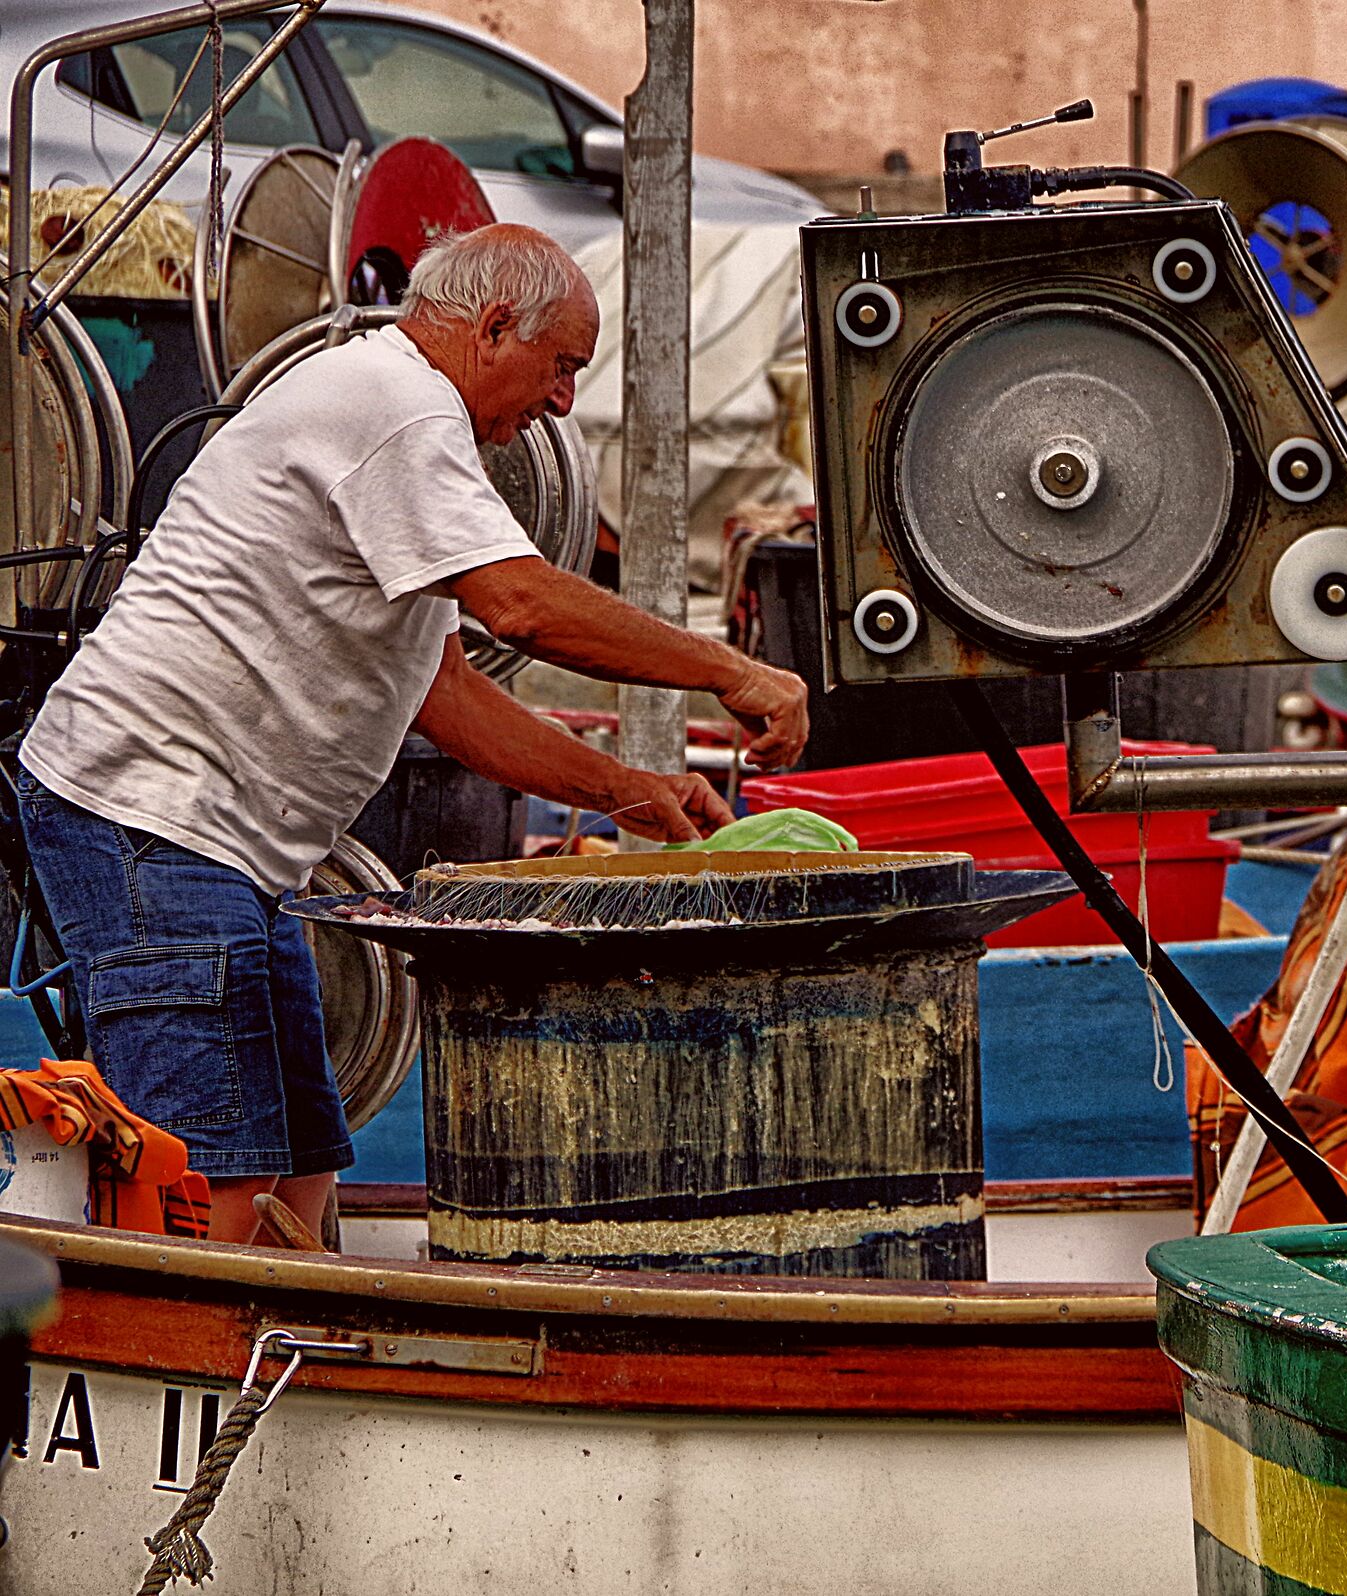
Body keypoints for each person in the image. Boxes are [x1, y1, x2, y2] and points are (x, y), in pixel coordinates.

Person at [10, 223, 809, 1244]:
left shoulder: (404, 419)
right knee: (209, 1184)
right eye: (561, 366)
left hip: (218, 845)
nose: (564, 401)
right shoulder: (399, 408)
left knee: (299, 1169)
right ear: (491, 328)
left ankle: (295, 1373)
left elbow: (445, 694)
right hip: (146, 816)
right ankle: (203, 1382)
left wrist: (624, 788)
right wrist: (734, 671)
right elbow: (522, 603)